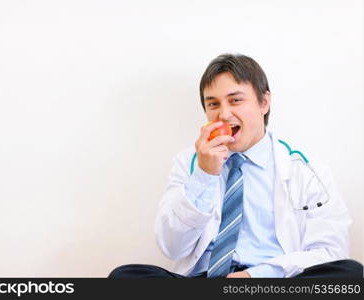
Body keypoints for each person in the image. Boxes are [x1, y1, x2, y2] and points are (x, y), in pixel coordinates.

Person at [108, 54, 363, 278]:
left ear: (264, 103)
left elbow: (331, 252)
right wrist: (204, 175)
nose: (224, 114)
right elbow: (172, 247)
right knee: (126, 277)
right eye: (213, 104)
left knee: (349, 274)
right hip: (203, 281)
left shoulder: (306, 170)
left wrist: (255, 276)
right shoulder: (189, 163)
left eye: (235, 100)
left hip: (272, 283)